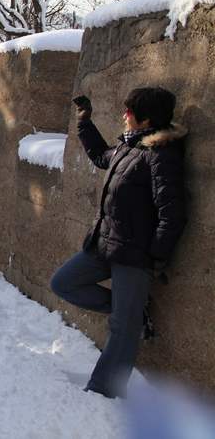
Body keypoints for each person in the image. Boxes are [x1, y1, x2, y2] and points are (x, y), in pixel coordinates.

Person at [50, 87, 187, 399]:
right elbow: (101, 157)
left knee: (122, 329)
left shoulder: (161, 156)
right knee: (63, 283)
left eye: (129, 111)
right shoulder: (129, 147)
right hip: (104, 243)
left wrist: (156, 257)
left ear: (146, 118)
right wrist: (85, 122)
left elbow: (172, 213)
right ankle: (133, 312)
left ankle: (103, 391)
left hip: (135, 255)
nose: (124, 115)